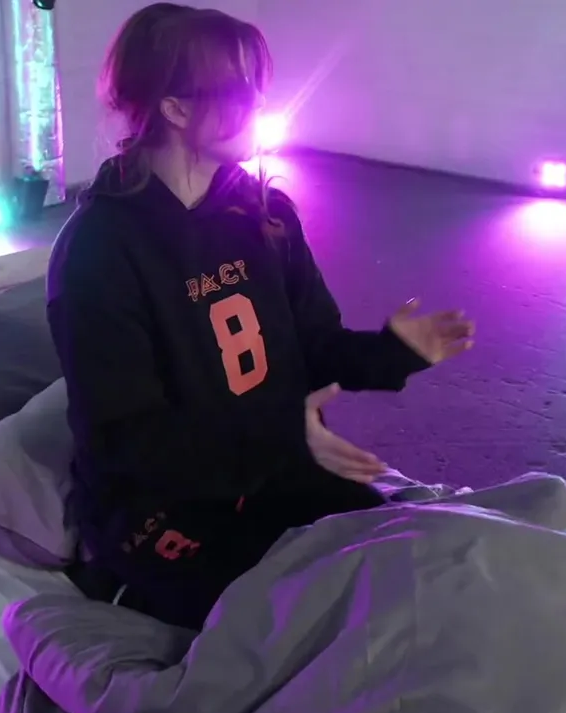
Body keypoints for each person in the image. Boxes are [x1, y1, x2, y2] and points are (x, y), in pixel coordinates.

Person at [46, 3, 475, 630]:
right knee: (304, 623)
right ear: (175, 109)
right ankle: (122, 596)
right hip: (164, 508)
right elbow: (129, 444)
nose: (258, 102)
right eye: (238, 89)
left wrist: (392, 352)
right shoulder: (100, 249)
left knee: (417, 579)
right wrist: (285, 435)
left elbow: (315, 345)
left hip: (276, 471)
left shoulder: (264, 215)